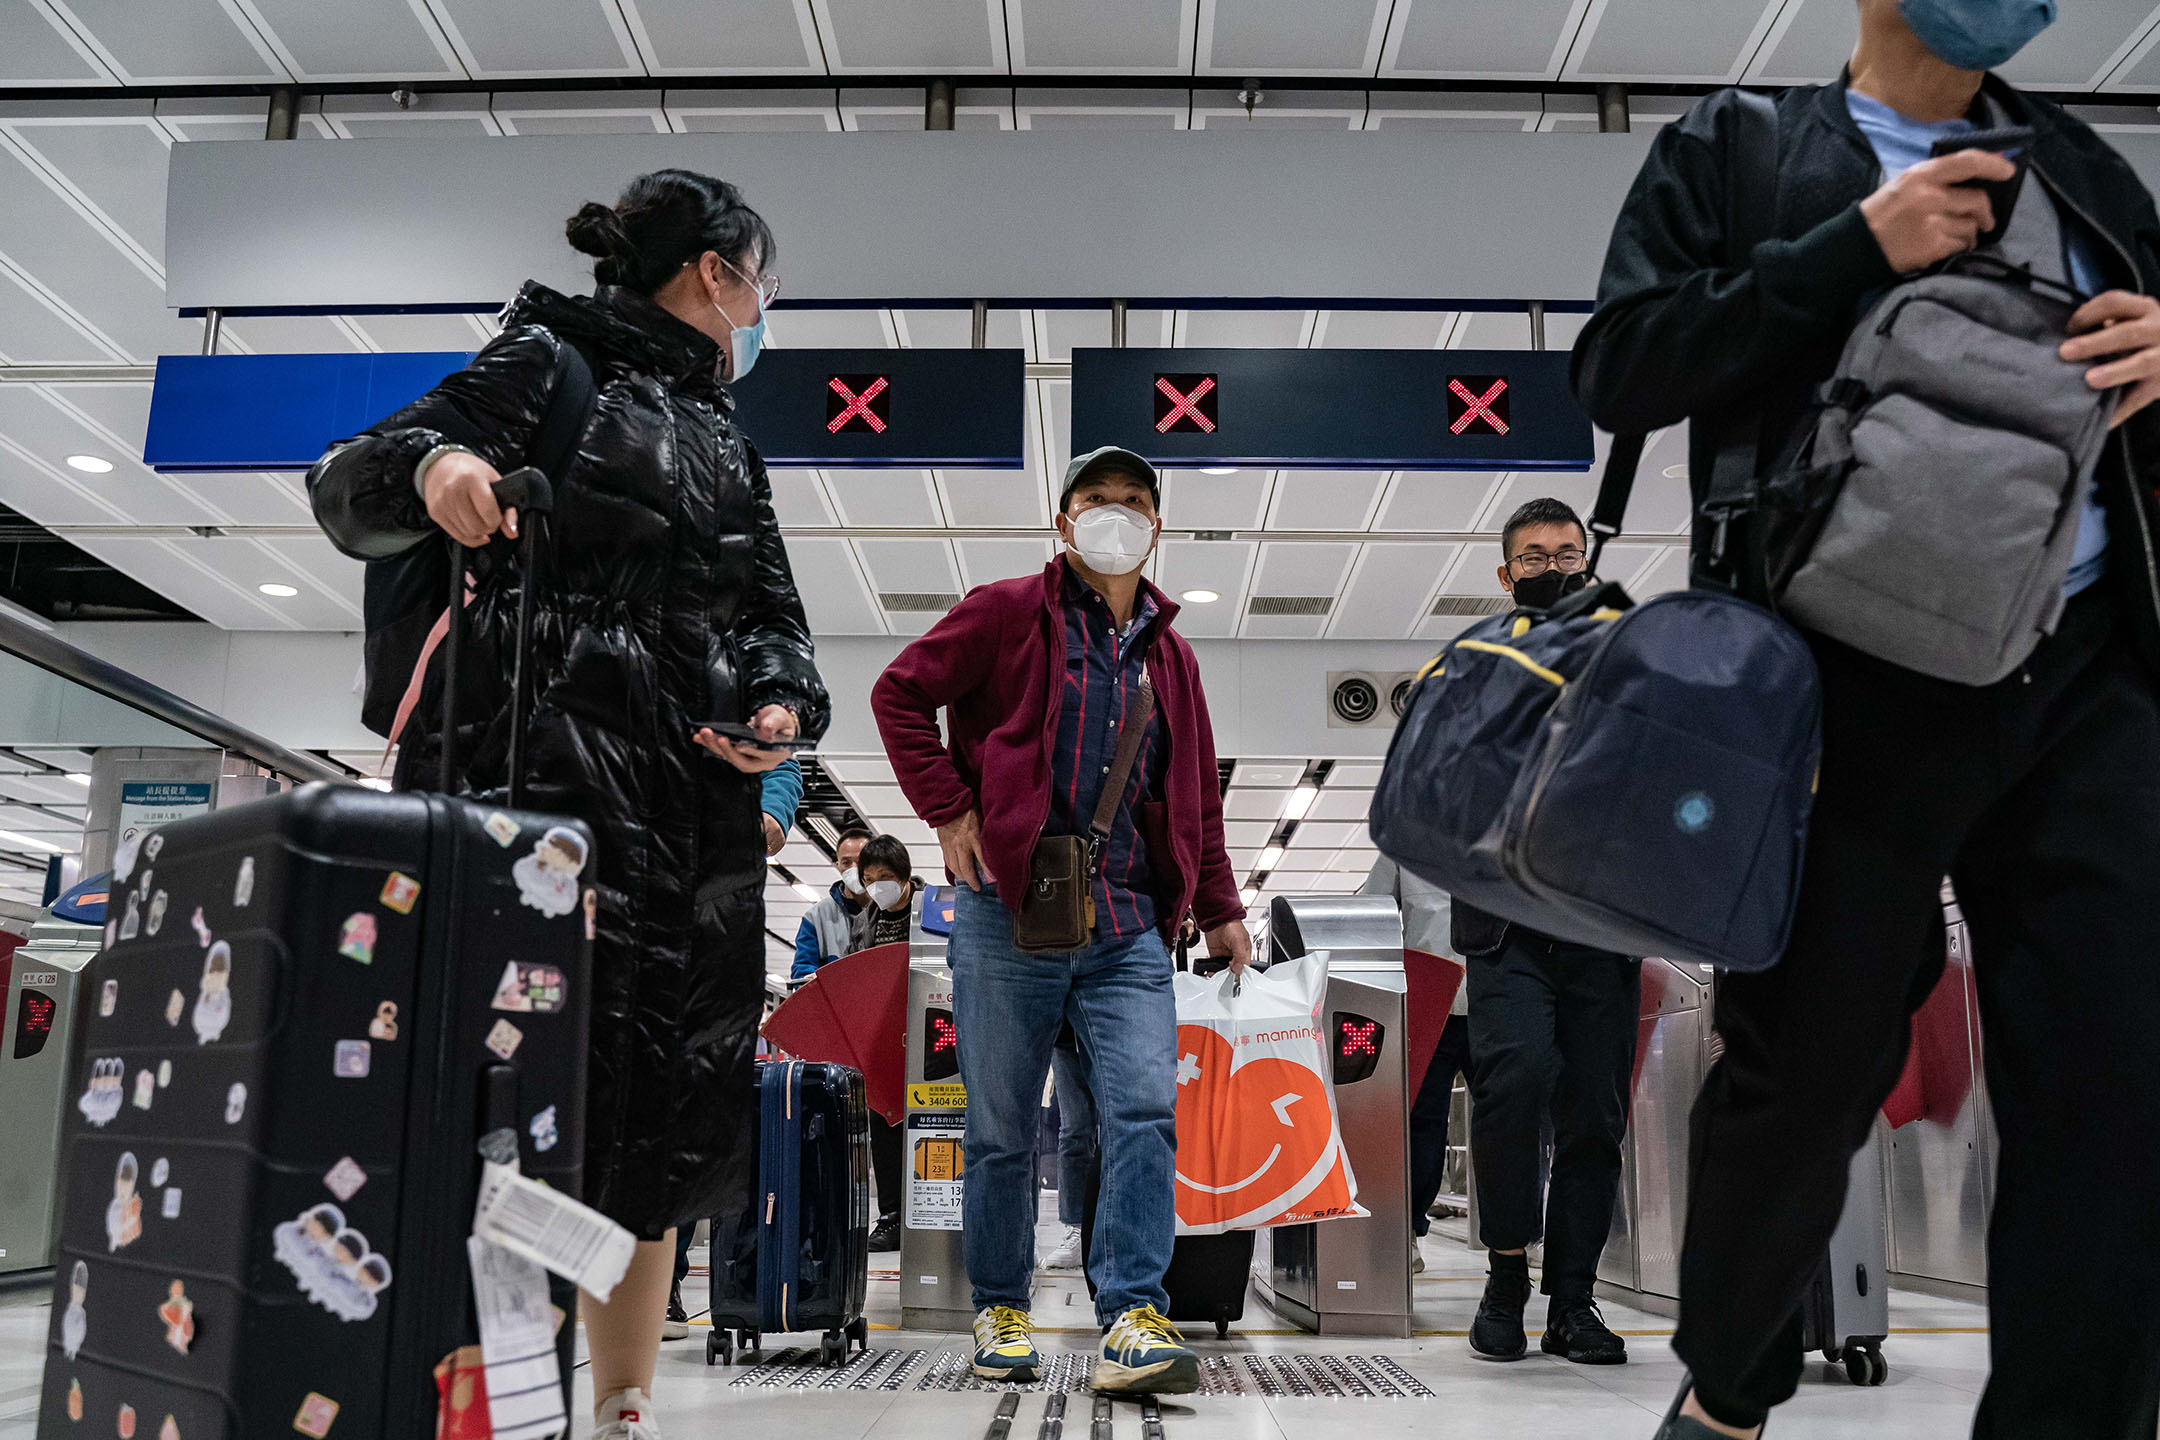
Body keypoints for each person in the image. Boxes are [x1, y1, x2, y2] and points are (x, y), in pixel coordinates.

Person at [1573, 3, 2160, 1434]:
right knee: (1812, 1065)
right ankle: (1729, 1387)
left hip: (2083, 674)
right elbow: (1626, 367)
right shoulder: (1740, 148)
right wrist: (1857, 246)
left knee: (2116, 1082)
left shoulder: (2083, 166)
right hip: (1841, 677)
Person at [309, 167, 828, 1440]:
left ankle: (625, 1408)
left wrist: (781, 709)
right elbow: (355, 478)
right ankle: (498, 1395)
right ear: (717, 272)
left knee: (655, 1129)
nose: (764, 306)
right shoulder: (548, 362)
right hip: (533, 800)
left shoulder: (723, 440)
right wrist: (433, 471)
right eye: (763, 279)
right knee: (521, 1108)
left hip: (690, 824)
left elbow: (774, 620)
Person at [871, 446, 1252, 1396]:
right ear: (1062, 521)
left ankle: (1132, 1310)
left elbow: (1192, 792)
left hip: (1127, 925)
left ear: (1156, 525)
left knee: (1142, 1112)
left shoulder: (1173, 656)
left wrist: (1221, 908)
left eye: (1133, 502)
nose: (1114, 515)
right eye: (1095, 500)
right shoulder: (1007, 612)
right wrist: (951, 810)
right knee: (1001, 1126)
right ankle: (1000, 1306)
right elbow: (899, 694)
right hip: (1007, 914)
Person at [1453, 498, 1640, 1368]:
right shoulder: (1480, 666)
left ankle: (1574, 1301)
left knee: (1596, 1115)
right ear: (1506, 575)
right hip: (1506, 927)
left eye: (1568, 553)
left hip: (1600, 922)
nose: (1554, 567)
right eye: (1533, 557)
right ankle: (1504, 1278)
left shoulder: (1624, 662)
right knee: (1515, 1086)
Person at [667, 760, 805, 1339]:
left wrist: (771, 812)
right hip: (617, 891)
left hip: (704, 920)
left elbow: (782, 756)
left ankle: (663, 1283)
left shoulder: (735, 684)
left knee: (682, 1115)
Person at [1358, 854, 1466, 1275]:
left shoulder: (1504, 833)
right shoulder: (1406, 847)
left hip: (1499, 1001)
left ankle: (1523, 1234)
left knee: (1512, 1119)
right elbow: (1370, 911)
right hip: (1431, 1002)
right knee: (1422, 1120)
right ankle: (1410, 1229)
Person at [844, 832, 922, 1250]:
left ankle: (931, 1215)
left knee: (930, 1125)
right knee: (884, 1126)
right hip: (883, 1042)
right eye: (869, 877)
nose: (878, 885)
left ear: (906, 875)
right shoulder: (863, 921)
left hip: (929, 1036)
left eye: (886, 876)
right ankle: (891, 1215)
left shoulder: (936, 911)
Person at [791, 828, 873, 981]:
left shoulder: (890, 909)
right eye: (846, 863)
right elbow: (802, 973)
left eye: (861, 861)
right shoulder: (815, 918)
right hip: (836, 1002)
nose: (854, 868)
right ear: (838, 865)